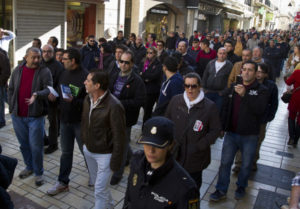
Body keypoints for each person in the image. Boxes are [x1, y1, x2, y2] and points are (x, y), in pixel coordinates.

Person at [210, 60, 269, 201]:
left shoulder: (262, 90)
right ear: (241, 71)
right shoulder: (233, 87)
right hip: (231, 133)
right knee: (225, 163)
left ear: (255, 73)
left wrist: (245, 95)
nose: (246, 72)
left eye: (250, 70)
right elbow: (225, 108)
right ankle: (221, 189)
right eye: (244, 69)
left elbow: (260, 110)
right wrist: (222, 127)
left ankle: (241, 186)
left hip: (250, 135)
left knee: (246, 164)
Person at [123, 116, 200, 209]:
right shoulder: (136, 162)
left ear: (171, 145)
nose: (151, 150)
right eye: (147, 144)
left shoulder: (185, 187)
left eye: (158, 146)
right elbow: (129, 199)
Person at [165, 72, 221, 190]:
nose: (190, 89)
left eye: (193, 86)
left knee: (192, 188)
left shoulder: (210, 107)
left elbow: (215, 130)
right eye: (187, 86)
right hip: (176, 154)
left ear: (200, 86)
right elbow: (167, 121)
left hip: (195, 158)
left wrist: (201, 144)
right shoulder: (176, 100)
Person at [8, 47, 53, 186]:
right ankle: (29, 167)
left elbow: (49, 89)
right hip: (17, 116)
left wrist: (37, 94)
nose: (36, 60)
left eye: (38, 57)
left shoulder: (44, 71)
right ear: (26, 57)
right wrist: (11, 106)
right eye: (33, 57)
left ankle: (39, 173)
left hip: (35, 116)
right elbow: (10, 89)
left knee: (36, 146)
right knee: (24, 145)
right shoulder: (18, 70)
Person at [82, 70, 126, 209]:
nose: (85, 82)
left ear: (97, 85)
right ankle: (111, 205)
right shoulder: (87, 98)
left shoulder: (114, 106)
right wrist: (85, 143)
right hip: (89, 150)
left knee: (99, 190)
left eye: (88, 80)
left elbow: (120, 137)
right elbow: (85, 123)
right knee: (99, 185)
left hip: (105, 155)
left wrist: (115, 163)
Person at [47, 48, 88, 195]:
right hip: (64, 120)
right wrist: (54, 96)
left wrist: (74, 101)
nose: (61, 61)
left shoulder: (86, 76)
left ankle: (95, 176)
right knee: (66, 153)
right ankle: (63, 182)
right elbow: (60, 91)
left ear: (73, 61)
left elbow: (89, 102)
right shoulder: (63, 73)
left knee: (86, 152)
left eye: (65, 59)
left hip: (80, 122)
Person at [109, 51, 146, 185]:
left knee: (121, 146)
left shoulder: (137, 81)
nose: (123, 64)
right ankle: (132, 156)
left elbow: (140, 101)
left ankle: (118, 173)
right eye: (121, 61)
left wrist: (119, 104)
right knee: (119, 143)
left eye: (127, 62)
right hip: (112, 116)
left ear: (132, 64)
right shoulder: (114, 76)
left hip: (126, 118)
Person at [233, 63, 278, 172]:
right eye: (257, 71)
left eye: (261, 72)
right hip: (246, 118)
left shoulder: (270, 86)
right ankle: (238, 163)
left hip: (261, 119)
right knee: (242, 140)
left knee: (257, 141)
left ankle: (252, 162)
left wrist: (269, 117)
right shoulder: (249, 84)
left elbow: (274, 103)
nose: (258, 74)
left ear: (266, 74)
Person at [41, 44, 64, 154]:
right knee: (39, 121)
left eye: (49, 51)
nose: (46, 53)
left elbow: (61, 83)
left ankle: (53, 144)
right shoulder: (39, 63)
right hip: (40, 97)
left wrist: (54, 94)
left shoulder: (58, 66)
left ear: (53, 53)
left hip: (52, 99)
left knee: (53, 122)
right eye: (44, 51)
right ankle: (45, 139)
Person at [202, 47, 233, 111]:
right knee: (206, 111)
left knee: (217, 112)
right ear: (217, 54)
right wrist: (204, 88)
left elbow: (231, 80)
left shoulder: (229, 65)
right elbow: (205, 76)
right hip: (208, 92)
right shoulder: (211, 63)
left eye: (224, 53)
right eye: (220, 53)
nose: (222, 55)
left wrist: (223, 92)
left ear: (226, 55)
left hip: (220, 94)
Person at [139, 46, 163, 124]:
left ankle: (145, 128)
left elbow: (154, 76)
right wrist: (145, 76)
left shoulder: (158, 63)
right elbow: (139, 73)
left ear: (155, 54)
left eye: (151, 53)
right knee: (144, 108)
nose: (148, 54)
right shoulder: (143, 62)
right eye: (147, 52)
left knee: (147, 111)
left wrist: (144, 75)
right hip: (143, 88)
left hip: (152, 90)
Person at [285, 68, 300, 147]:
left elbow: (288, 82)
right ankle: (296, 140)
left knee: (291, 117)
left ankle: (291, 137)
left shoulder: (297, 72)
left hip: (296, 98)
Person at [0, 50, 10, 128]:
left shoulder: (2, 54)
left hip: (1, 84)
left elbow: (6, 71)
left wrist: (1, 82)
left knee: (1, 102)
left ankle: (1, 121)